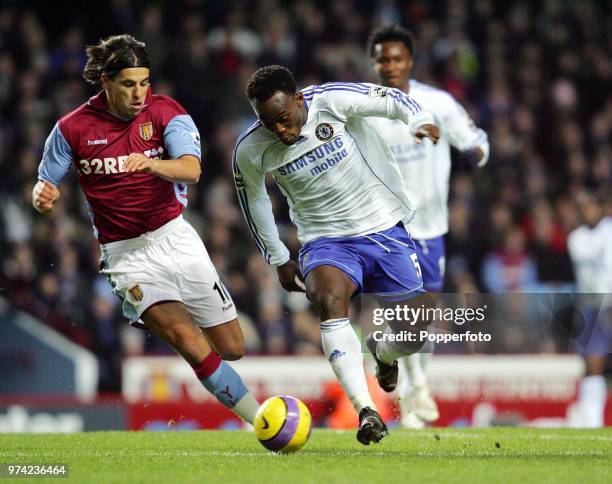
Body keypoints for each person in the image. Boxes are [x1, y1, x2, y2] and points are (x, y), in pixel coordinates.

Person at [32, 34, 259, 425]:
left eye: (144, 82)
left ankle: (233, 389)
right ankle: (261, 421)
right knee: (187, 340)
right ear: (106, 82)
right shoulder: (72, 128)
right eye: (128, 84)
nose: (139, 93)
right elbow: (43, 183)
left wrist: (152, 164)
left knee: (233, 346)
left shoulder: (166, 113)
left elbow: (191, 169)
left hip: (176, 237)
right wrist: (42, 195)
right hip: (126, 255)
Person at [233, 64, 440, 444]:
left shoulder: (332, 101)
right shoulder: (250, 148)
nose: (279, 130)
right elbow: (254, 201)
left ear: (298, 100)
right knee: (329, 300)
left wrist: (419, 120)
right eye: (268, 123)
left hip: (383, 227)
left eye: (283, 118)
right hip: (325, 241)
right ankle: (366, 410)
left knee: (416, 330)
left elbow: (393, 101)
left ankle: (384, 354)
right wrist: (278, 257)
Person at [367, 25, 490, 429]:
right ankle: (415, 385)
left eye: (396, 58)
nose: (390, 66)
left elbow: (475, 140)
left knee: (425, 315)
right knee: (406, 312)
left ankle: (415, 381)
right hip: (385, 227)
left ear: (410, 61)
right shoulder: (364, 110)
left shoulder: (437, 102)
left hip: (431, 227)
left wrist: (477, 152)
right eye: (383, 59)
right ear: (374, 63)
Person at [567, 191, 611, 427]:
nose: (589, 211)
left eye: (592, 206)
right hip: (590, 305)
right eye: (584, 207)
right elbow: (588, 259)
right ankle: (591, 422)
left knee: (596, 362)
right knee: (591, 363)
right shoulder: (576, 238)